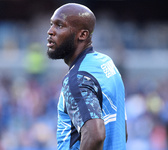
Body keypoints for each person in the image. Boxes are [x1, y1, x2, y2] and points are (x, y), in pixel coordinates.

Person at [46, 3, 128, 150]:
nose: (50, 31)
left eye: (60, 25)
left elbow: (95, 136)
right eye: (52, 24)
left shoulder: (77, 78)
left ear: (82, 35)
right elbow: (123, 131)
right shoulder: (106, 64)